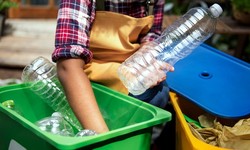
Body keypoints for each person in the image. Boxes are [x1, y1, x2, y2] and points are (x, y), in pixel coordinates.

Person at [52, 0, 174, 134]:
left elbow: (152, 34)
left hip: (127, 68)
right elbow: (68, 65)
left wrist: (145, 56)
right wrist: (102, 138)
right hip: (89, 75)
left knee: (159, 92)